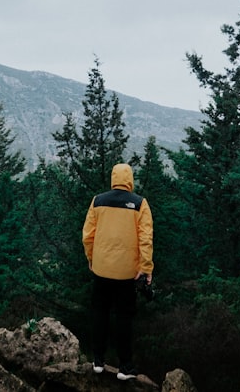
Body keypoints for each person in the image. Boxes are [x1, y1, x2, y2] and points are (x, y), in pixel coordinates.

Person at [82, 162, 154, 381]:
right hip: (127, 273)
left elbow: (87, 236)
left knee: (99, 312)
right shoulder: (140, 203)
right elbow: (145, 238)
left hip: (102, 269)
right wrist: (146, 268)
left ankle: (97, 360)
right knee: (124, 317)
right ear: (130, 179)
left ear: (113, 178)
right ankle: (125, 366)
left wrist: (91, 259)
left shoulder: (98, 201)